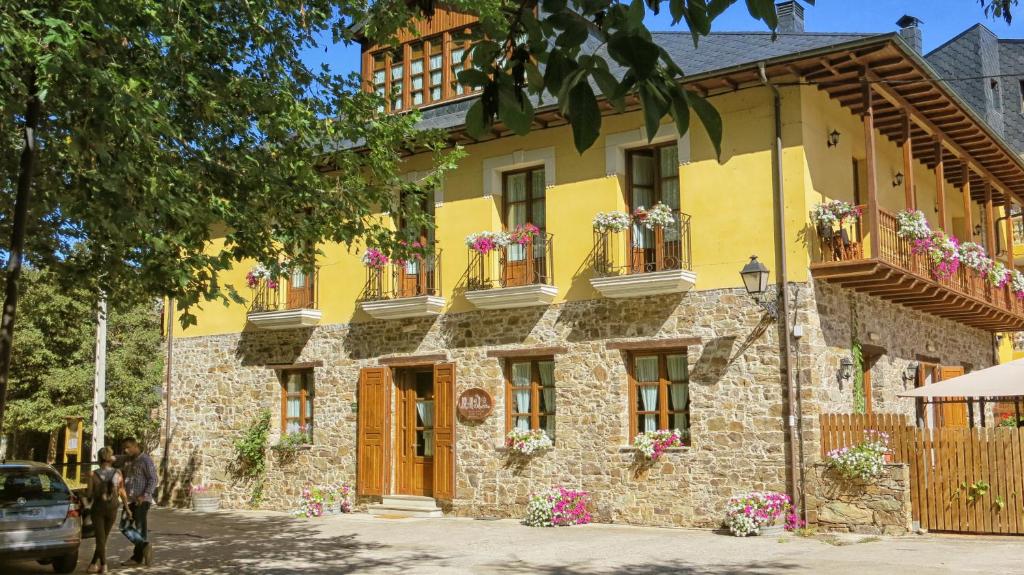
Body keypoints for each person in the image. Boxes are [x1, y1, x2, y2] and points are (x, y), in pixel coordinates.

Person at [87, 447, 130, 573]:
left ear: (99, 459)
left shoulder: (92, 474)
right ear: (111, 458)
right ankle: (93, 563)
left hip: (98, 508)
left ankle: (104, 565)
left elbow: (89, 494)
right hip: (113, 507)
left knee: (100, 538)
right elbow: (122, 491)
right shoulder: (118, 473)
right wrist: (127, 508)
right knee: (103, 537)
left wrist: (84, 494)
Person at [121, 438, 157, 566]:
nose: (126, 450)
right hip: (129, 500)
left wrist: (144, 495)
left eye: (128, 447)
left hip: (142, 500)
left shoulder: (146, 460)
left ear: (135, 446)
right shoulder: (128, 460)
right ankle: (144, 546)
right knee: (124, 526)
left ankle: (137, 558)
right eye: (124, 448)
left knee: (140, 528)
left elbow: (153, 479)